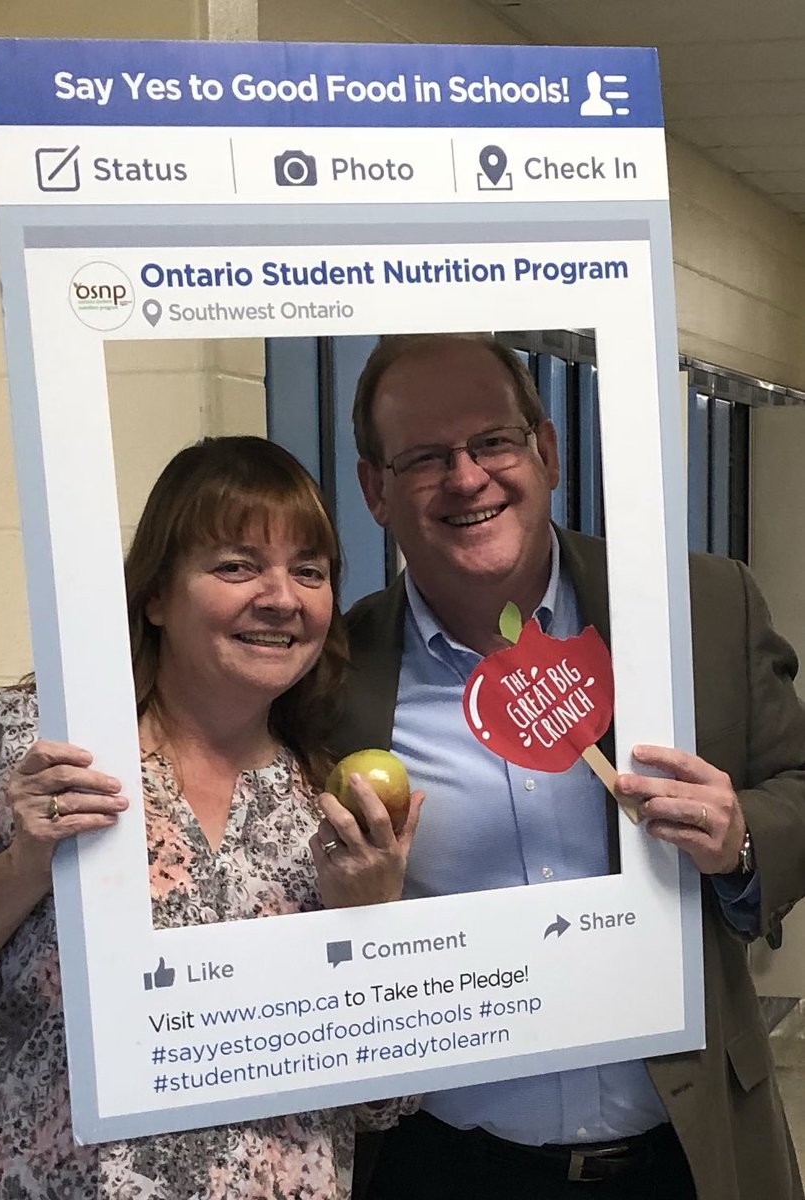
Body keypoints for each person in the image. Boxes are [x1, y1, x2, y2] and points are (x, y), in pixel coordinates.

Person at [330, 332, 805, 1200]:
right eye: (426, 458)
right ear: (374, 490)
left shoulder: (697, 608)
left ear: (544, 451)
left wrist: (741, 838)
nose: (467, 478)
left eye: (493, 442)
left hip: (688, 1158)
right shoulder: (332, 673)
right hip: (445, 1167)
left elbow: (799, 789)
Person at [0, 435, 422, 1200]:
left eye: (308, 571)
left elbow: (384, 1101)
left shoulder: (320, 800)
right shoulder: (31, 747)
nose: (281, 597)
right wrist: (24, 864)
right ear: (155, 595)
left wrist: (368, 920)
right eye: (236, 565)